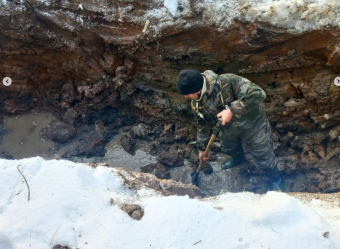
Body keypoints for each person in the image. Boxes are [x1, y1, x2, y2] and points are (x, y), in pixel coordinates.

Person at [176, 69, 284, 191]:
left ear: (198, 89)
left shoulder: (228, 81)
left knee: (263, 157)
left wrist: (232, 110)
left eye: (187, 94)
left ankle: (275, 179)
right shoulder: (196, 103)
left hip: (253, 126)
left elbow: (258, 93)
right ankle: (238, 159)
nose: (185, 97)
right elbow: (203, 125)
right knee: (229, 148)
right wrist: (202, 148)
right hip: (228, 130)